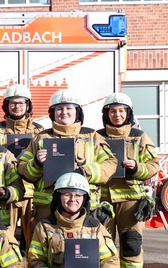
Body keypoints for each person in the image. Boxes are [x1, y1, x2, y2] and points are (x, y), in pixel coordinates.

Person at [17, 89, 118, 240]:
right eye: (59, 109)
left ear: (77, 112)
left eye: (69, 108)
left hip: (83, 207)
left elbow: (110, 164)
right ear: (53, 113)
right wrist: (36, 163)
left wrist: (85, 172)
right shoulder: (40, 138)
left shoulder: (92, 137)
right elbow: (22, 168)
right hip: (47, 209)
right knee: (46, 250)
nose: (64, 112)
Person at [97, 93, 160, 268]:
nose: (117, 115)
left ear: (128, 113)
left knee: (131, 244)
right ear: (106, 113)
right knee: (101, 246)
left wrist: (137, 167)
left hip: (131, 201)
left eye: (121, 111)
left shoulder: (139, 136)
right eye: (113, 111)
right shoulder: (96, 137)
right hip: (102, 201)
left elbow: (153, 165)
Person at [0, 84, 45, 250]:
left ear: (28, 105)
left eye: (21, 103)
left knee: (34, 242)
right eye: (13, 103)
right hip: (7, 193)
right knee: (5, 240)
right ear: (6, 106)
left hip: (31, 192)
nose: (17, 106)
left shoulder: (40, 131)